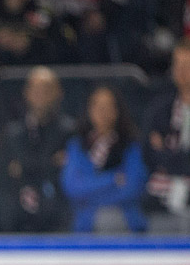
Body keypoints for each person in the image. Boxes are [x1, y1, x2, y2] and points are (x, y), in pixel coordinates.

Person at [141, 37, 190, 231]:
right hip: (161, 202)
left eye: (188, 65)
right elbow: (150, 155)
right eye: (177, 64)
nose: (181, 71)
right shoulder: (160, 109)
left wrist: (169, 156)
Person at [0, 66, 75, 232]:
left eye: (47, 89)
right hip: (16, 217)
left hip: (58, 214)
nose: (40, 94)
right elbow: (2, 172)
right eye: (35, 88)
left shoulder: (70, 132)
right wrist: (50, 163)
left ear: (58, 92)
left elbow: (68, 175)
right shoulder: (12, 133)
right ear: (26, 92)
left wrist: (24, 167)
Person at [60, 85, 148, 233]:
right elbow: (73, 187)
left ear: (117, 110)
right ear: (89, 110)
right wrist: (113, 179)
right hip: (85, 228)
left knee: (108, 218)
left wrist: (90, 195)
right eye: (98, 106)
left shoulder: (131, 146)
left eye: (108, 106)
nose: (102, 112)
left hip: (127, 227)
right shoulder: (76, 146)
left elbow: (132, 188)